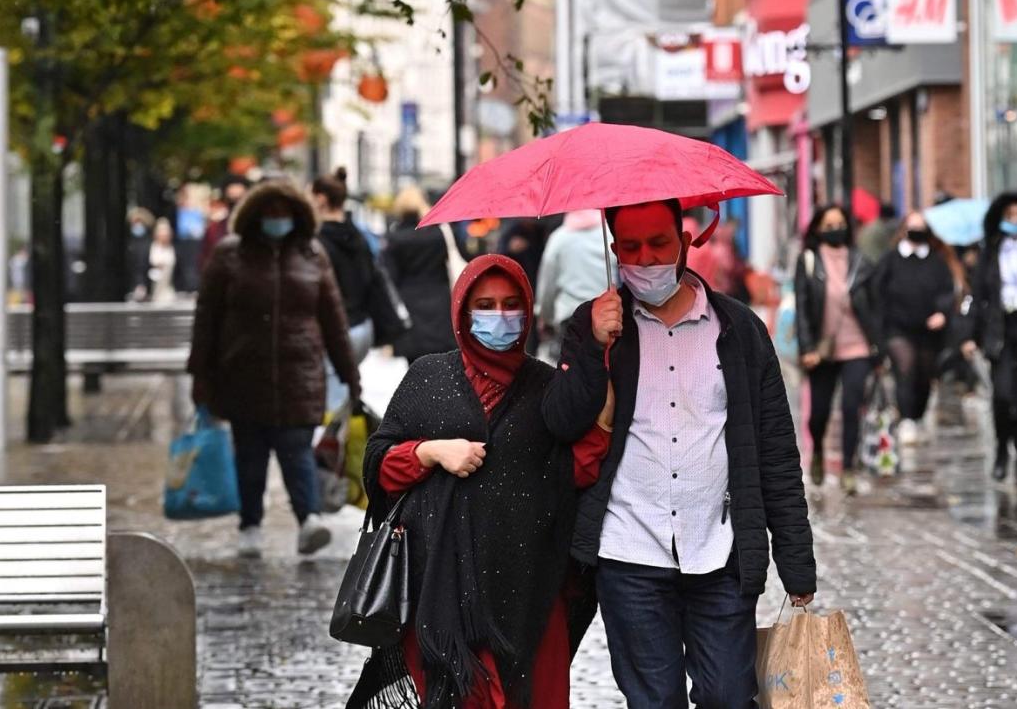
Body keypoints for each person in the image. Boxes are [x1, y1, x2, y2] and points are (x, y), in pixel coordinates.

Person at [542, 199, 816, 708]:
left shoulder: (739, 331)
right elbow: (559, 421)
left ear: (685, 243)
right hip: (628, 550)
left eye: (658, 243)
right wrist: (595, 352)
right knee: (654, 700)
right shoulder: (593, 326)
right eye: (631, 247)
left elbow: (776, 450)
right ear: (614, 250)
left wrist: (796, 565)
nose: (645, 258)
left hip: (720, 550)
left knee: (730, 695)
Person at [349, 255, 607, 709]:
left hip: (530, 595)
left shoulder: (545, 388)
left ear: (528, 313)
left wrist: (606, 393)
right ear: (463, 312)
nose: (500, 316)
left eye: (511, 305)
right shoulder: (428, 378)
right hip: (440, 594)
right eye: (485, 305)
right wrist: (430, 452)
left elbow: (575, 470)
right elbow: (380, 467)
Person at [188, 180, 360, 558]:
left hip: (299, 375)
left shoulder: (313, 255)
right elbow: (207, 318)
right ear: (255, 216)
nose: (277, 219)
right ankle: (250, 523)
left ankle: (308, 519)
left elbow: (333, 320)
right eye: (270, 213)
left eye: (284, 213)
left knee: (296, 450)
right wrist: (200, 373)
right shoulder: (229, 255)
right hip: (244, 375)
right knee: (250, 455)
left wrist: (350, 373)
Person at [962, 192, 1017, 483]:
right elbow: (979, 295)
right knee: (1001, 395)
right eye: (1008, 216)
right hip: (1000, 327)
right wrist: (970, 335)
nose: (1014, 221)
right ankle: (1001, 449)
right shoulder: (991, 251)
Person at [794, 204, 880, 494]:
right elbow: (803, 309)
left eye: (840, 223)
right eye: (828, 225)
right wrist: (806, 347)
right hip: (822, 350)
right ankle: (816, 448)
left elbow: (875, 306)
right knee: (819, 412)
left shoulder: (861, 262)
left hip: (858, 345)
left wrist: (878, 346)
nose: (835, 229)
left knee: (851, 407)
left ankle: (848, 468)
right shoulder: (808, 261)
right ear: (818, 228)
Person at [312, 170, 405, 413]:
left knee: (330, 406)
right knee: (342, 397)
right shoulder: (360, 237)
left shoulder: (316, 242)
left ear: (320, 199)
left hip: (335, 329)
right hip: (363, 326)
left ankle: (335, 448)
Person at [872, 211, 961, 446]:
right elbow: (876, 292)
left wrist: (942, 312)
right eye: (912, 226)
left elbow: (947, 291)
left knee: (924, 375)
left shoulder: (936, 260)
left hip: (928, 331)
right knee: (905, 368)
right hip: (897, 328)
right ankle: (907, 418)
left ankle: (918, 416)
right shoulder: (890, 259)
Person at [383, 187, 460, 363]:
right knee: (441, 361)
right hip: (439, 301)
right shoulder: (438, 233)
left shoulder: (395, 239)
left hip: (411, 305)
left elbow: (390, 277)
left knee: (415, 365)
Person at [535, 209, 616, 344]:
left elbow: (547, 286)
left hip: (570, 317)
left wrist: (546, 317)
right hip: (608, 315)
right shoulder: (608, 233)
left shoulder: (559, 238)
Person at [199, 174, 250, 272]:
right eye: (232, 199)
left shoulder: (256, 230)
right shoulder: (213, 230)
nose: (235, 204)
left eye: (239, 199)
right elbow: (205, 262)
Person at [148, 217, 178, 304]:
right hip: (153, 291)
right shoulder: (150, 248)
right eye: (161, 231)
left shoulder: (174, 249)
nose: (164, 234)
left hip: (169, 291)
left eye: (166, 231)